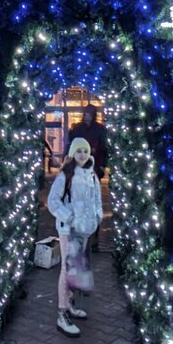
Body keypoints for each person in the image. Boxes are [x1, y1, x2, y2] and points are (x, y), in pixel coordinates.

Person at [47, 137, 103, 338]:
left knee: (76, 268)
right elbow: (53, 201)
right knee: (67, 268)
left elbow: (97, 199)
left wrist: (96, 218)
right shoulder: (66, 174)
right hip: (68, 229)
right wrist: (69, 217)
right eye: (78, 151)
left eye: (85, 151)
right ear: (72, 153)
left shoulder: (92, 175)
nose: (82, 154)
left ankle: (69, 304)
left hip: (84, 229)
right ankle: (61, 314)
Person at [67, 104, 107, 250]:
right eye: (85, 114)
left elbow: (104, 150)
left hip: (93, 171)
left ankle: (93, 238)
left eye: (89, 114)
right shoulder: (78, 129)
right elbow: (70, 147)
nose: (86, 117)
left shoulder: (100, 130)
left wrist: (102, 167)